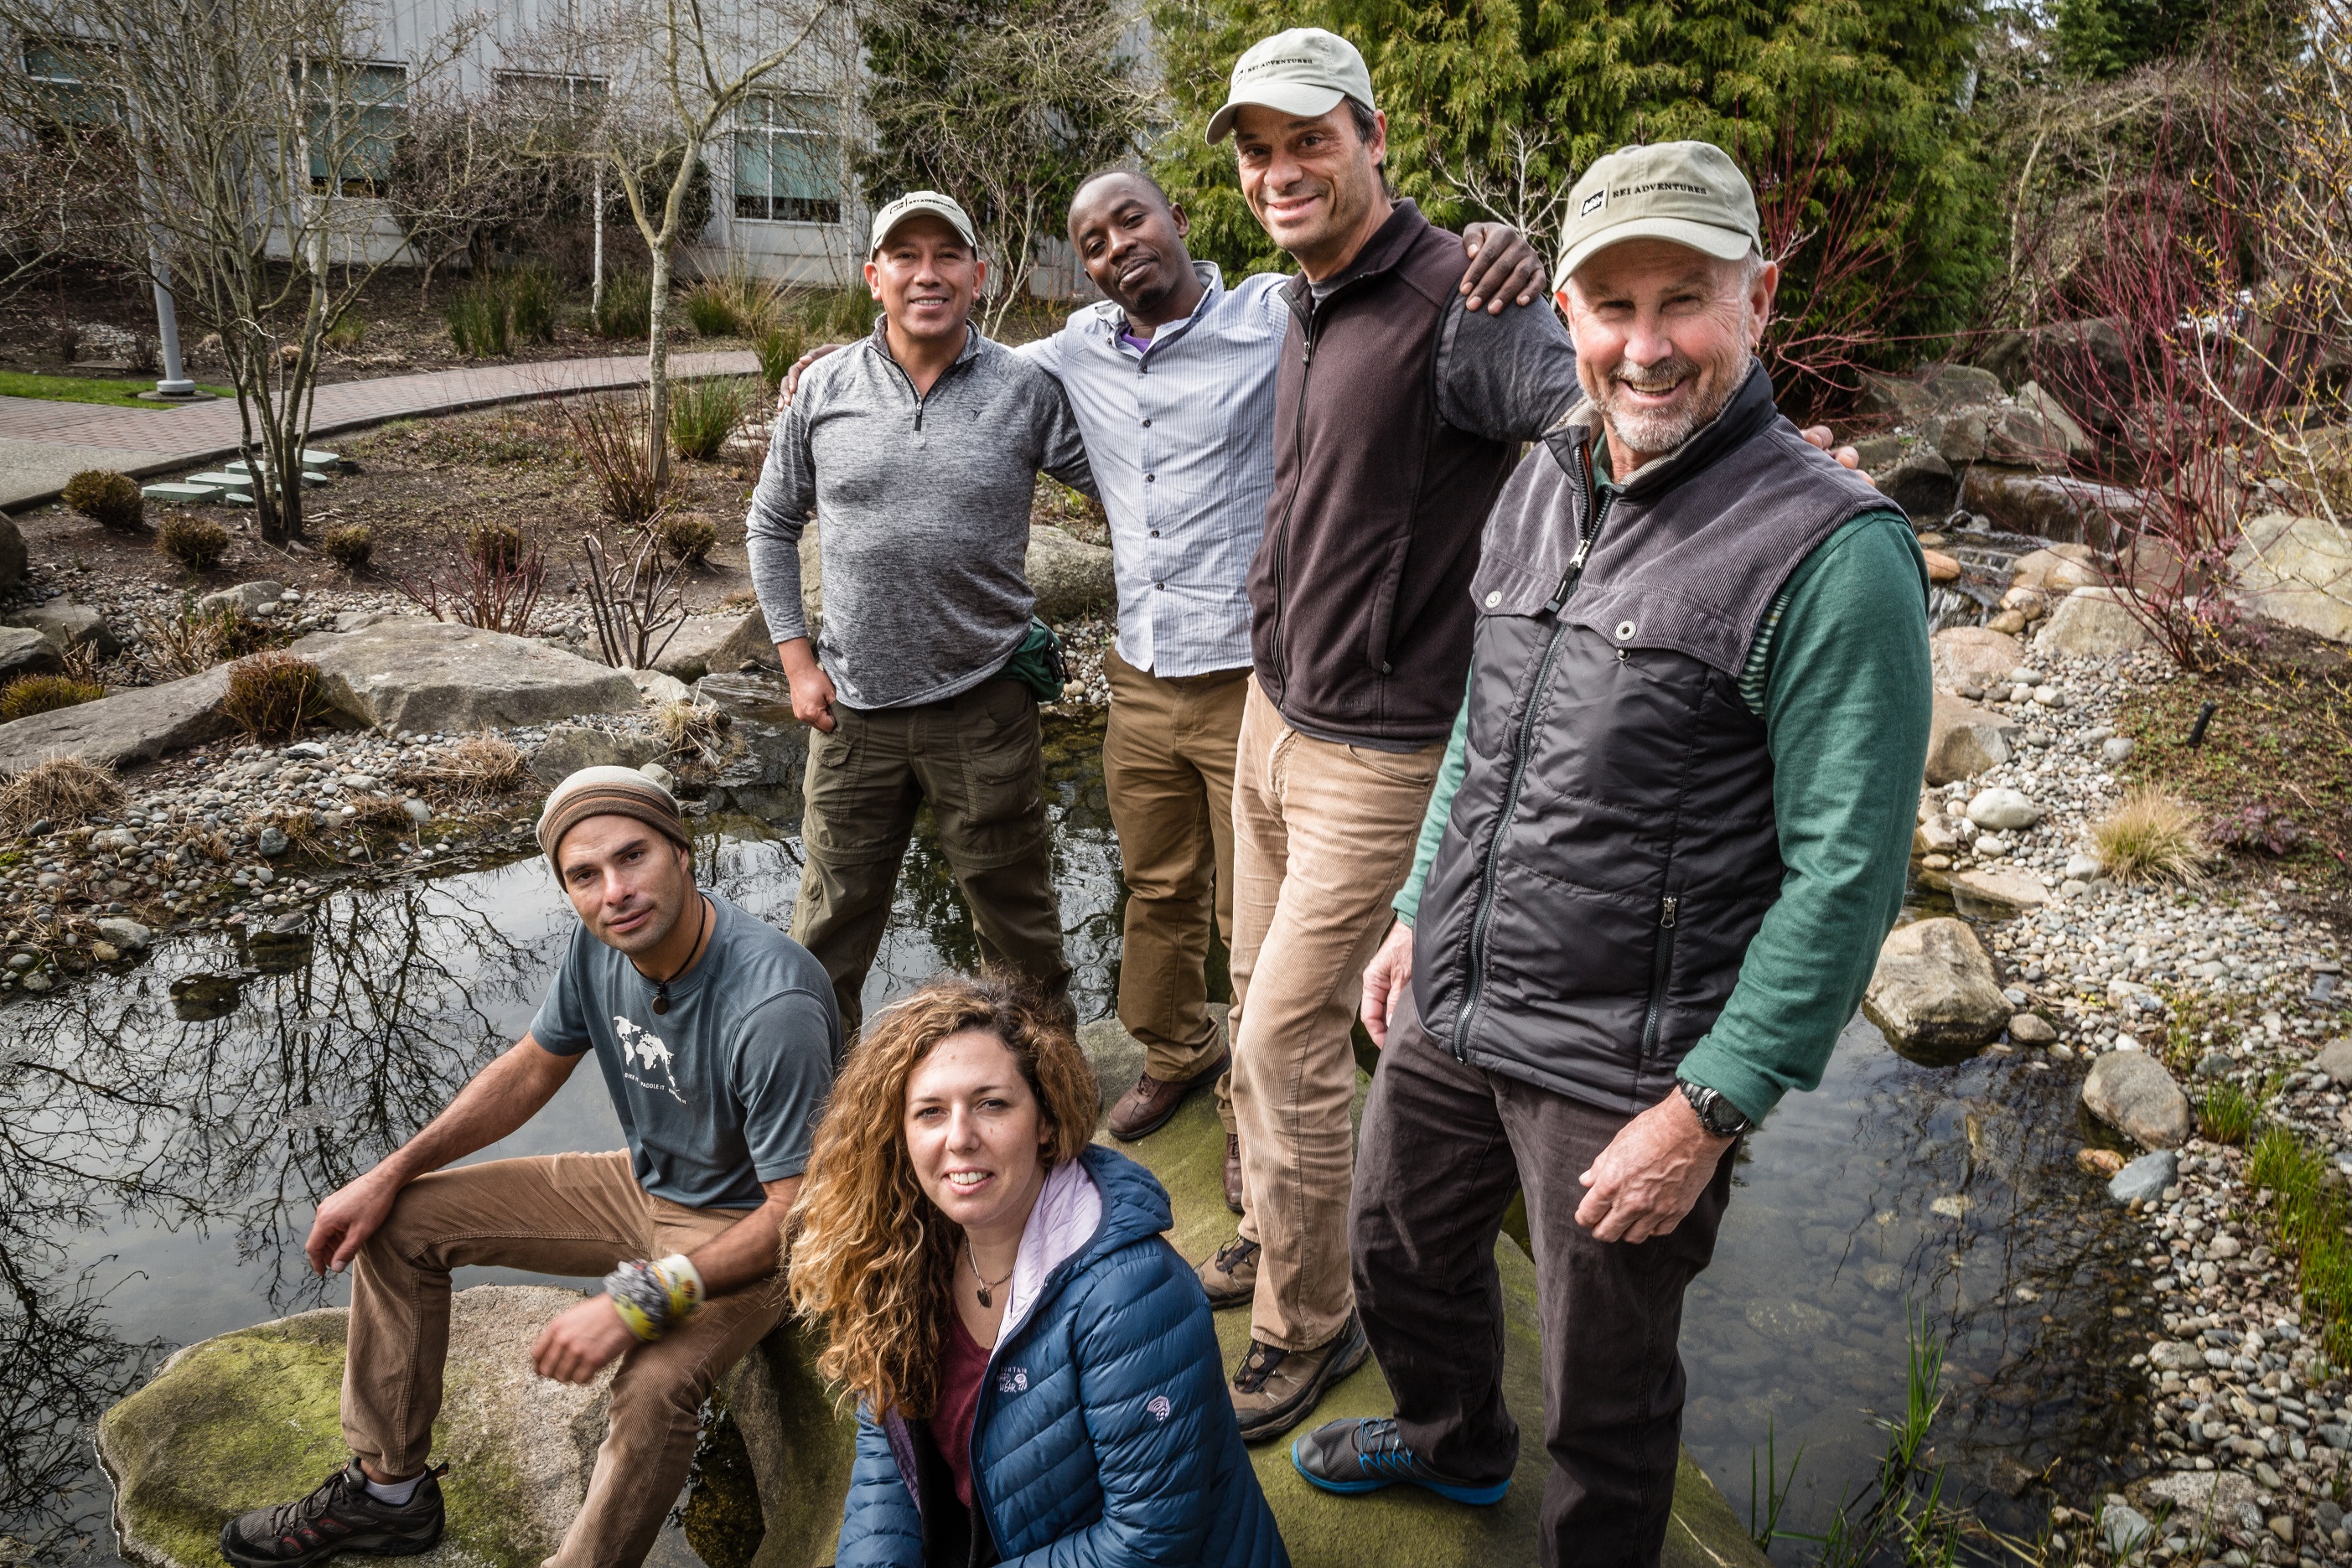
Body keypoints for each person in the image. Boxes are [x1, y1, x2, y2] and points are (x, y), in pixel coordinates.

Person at [1295, 142, 1933, 1567]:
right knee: (1392, 1242)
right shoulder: (1537, 479)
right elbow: (1482, 725)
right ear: (1564, 314)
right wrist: (1412, 912)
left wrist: (1707, 1109)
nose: (1644, 346)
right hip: (1463, 992)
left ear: (1757, 299)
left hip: (1632, 1062)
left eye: (1683, 299)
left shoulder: (1836, 551)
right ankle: (1455, 1444)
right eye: (1610, 304)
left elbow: (1850, 877)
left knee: (1606, 1393)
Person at [782, 175, 1547, 1188]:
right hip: (1139, 673)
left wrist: (1495, 250)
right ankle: (1177, 1052)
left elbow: (1382, 286)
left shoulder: (1276, 313)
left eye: (1132, 220)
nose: (1116, 246)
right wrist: (841, 361)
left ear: (1180, 221)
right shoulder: (1064, 355)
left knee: (1251, 909)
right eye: (1092, 238)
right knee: (1155, 883)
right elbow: (942, 365)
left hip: (1256, 672)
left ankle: (1249, 1106)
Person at [1189, 25, 1590, 1445]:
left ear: (1371, 137)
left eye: (1308, 138)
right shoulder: (1310, 294)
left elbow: (1598, 420)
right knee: (1246, 1006)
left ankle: (1312, 1321)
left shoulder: (1456, 296)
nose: (1279, 168)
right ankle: (1272, 1237)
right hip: (1269, 711)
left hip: (1383, 750)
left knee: (1288, 1036)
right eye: (1257, 148)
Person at [221, 766, 842, 1568]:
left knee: (652, 1390)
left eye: (633, 857)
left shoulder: (772, 1002)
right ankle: (388, 1494)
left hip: (748, 1232)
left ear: (684, 855)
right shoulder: (600, 947)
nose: (614, 890)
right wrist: (388, 1171)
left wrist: (633, 1302)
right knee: (403, 1221)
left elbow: (791, 1218)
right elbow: (529, 1069)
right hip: (641, 1185)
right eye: (584, 875)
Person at [789, 972, 1287, 1568]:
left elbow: (1149, 1540)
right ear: (899, 1134)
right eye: (929, 1112)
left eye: (990, 1103)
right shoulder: (906, 1246)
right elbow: (889, 1446)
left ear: (1046, 1119)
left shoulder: (1135, 1296)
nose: (960, 1137)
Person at [744, 190, 1095, 1035]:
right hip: (851, 711)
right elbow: (769, 524)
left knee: (1017, 927)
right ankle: (815, 1117)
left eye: (947, 256)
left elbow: (1126, 488)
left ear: (979, 276)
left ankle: (1045, 1097)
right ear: (875, 277)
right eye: (905, 256)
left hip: (985, 705)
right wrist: (796, 661)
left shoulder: (1026, 389)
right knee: (826, 933)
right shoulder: (823, 387)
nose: (926, 274)